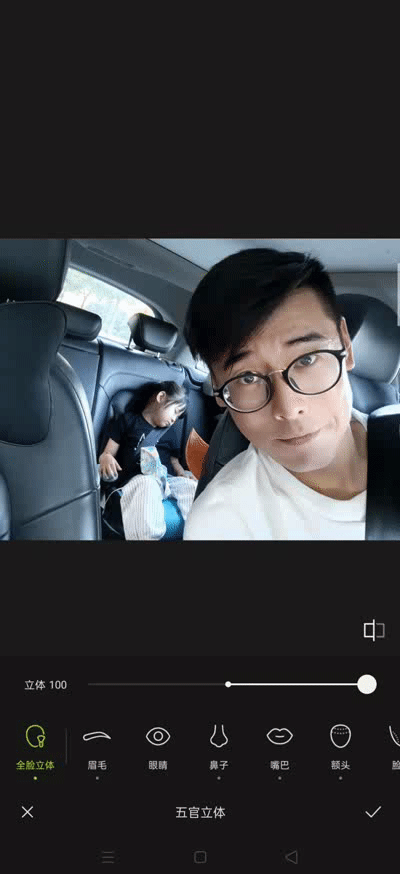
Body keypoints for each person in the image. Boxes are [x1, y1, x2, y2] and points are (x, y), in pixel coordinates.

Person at [182, 247, 369, 540]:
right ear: (218, 390)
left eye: (307, 359)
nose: (288, 408)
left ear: (346, 344)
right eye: (247, 378)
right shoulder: (221, 522)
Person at [98, 381, 197, 540]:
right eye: (175, 412)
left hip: (167, 481)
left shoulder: (170, 432)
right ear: (161, 397)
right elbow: (108, 452)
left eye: (178, 417)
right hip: (139, 480)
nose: (174, 420)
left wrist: (182, 474)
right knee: (148, 484)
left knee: (194, 488)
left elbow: (174, 461)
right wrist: (106, 457)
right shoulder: (128, 421)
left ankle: (195, 534)